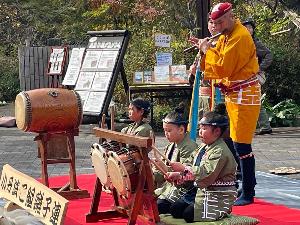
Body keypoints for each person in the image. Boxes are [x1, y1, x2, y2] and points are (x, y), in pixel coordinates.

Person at [192, 2, 260, 206]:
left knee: (242, 143)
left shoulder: (239, 36)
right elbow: (217, 58)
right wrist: (205, 50)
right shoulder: (227, 35)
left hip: (245, 94)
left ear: (231, 16)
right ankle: (239, 181)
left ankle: (248, 191)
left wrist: (207, 49)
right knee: (230, 139)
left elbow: (224, 67)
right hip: (234, 93)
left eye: (221, 22)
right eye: (215, 23)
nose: (218, 27)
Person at [166, 111, 237, 222]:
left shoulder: (220, 151)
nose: (200, 132)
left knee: (188, 215)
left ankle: (223, 210)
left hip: (217, 194)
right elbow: (190, 162)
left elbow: (207, 173)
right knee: (175, 210)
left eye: (204, 129)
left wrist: (183, 169)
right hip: (201, 190)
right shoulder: (203, 146)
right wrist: (178, 174)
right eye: (200, 128)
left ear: (217, 131)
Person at [153, 107, 198, 214]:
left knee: (157, 207)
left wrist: (164, 168)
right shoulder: (171, 145)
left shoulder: (189, 146)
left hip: (183, 190)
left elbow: (187, 175)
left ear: (181, 130)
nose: (166, 134)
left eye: (169, 130)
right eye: (164, 130)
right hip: (168, 187)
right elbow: (162, 174)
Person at [243, 19, 273, 135]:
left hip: (253, 76)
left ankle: (265, 126)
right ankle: (261, 126)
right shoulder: (240, 41)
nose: (248, 29)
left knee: (254, 99)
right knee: (248, 100)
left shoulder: (255, 43)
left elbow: (269, 54)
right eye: (246, 27)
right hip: (243, 76)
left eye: (250, 27)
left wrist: (260, 68)